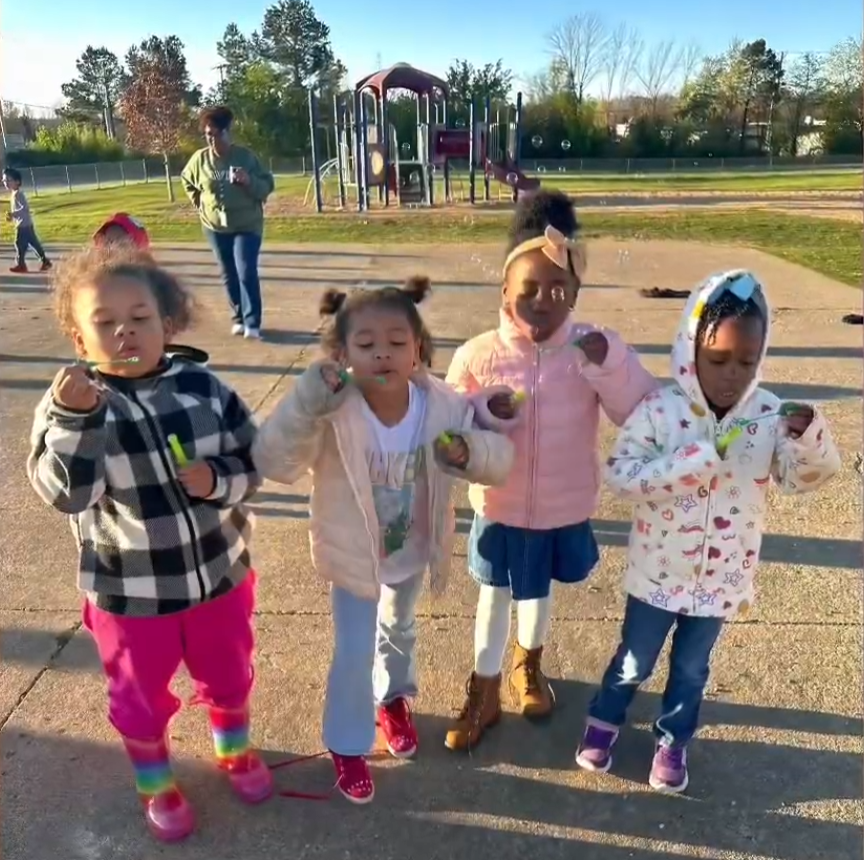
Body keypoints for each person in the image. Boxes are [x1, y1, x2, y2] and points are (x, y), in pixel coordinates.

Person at [26, 243, 271, 842]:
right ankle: (155, 781)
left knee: (230, 673)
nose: (124, 333)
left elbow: (254, 460)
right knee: (138, 696)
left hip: (219, 576)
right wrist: (76, 421)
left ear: (168, 321)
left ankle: (232, 748)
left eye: (139, 318)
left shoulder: (202, 388)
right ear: (79, 341)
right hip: (130, 592)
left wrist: (219, 480)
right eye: (104, 324)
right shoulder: (71, 408)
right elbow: (65, 494)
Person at [575, 269, 841, 793]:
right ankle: (603, 720)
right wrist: (696, 459)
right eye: (718, 359)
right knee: (634, 660)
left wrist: (809, 435)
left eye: (746, 361)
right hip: (658, 573)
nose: (731, 375)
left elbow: (801, 477)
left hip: (721, 580)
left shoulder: (766, 415)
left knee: (692, 671)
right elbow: (623, 476)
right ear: (691, 349)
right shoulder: (661, 410)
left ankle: (673, 740)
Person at [252, 278, 515, 804]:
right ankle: (348, 744)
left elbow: (495, 457)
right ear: (341, 353)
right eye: (366, 344)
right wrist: (305, 401)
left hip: (412, 549)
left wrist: (470, 451)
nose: (383, 354)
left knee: (399, 628)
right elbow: (274, 461)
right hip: (354, 556)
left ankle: (392, 698)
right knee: (353, 649)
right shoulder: (333, 409)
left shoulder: (439, 404)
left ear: (418, 347)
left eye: (397, 342)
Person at [443, 190, 657, 751]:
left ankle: (527, 667)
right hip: (501, 505)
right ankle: (484, 687)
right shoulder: (478, 353)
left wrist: (609, 363)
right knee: (493, 594)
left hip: (562, 506)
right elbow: (449, 424)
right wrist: (486, 409)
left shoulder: (591, 351)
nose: (543, 300)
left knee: (537, 595)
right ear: (504, 293)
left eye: (558, 290)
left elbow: (639, 409)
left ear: (576, 296)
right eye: (529, 289)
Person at [180, 106, 274, 340]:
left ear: (228, 133)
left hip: (247, 225)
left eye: (217, 134)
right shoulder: (200, 160)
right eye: (208, 135)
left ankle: (252, 322)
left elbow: (267, 186)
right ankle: (239, 317)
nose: (212, 140)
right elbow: (186, 180)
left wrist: (248, 181)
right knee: (228, 273)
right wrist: (199, 201)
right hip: (215, 226)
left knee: (245, 271)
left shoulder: (245, 157)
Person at [3, 167, 51, 273]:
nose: (5, 183)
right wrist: (13, 216)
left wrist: (13, 214)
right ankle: (45, 261)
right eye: (4, 180)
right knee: (33, 243)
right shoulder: (15, 194)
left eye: (8, 180)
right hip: (26, 224)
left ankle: (21, 265)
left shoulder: (18, 194)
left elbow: (24, 208)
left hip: (23, 225)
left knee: (19, 244)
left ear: (17, 182)